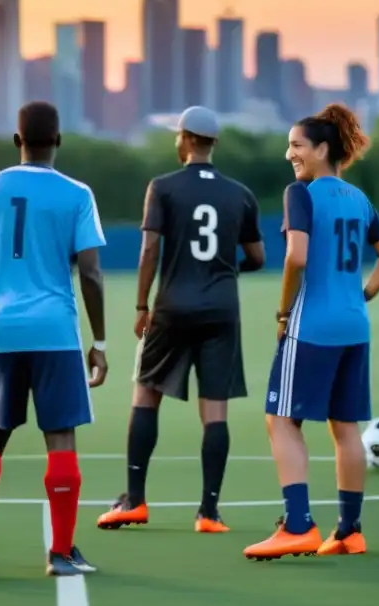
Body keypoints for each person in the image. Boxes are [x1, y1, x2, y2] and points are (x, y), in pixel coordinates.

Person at [0, 101, 109, 581]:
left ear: (17, 141)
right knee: (60, 438)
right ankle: (60, 552)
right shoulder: (77, 193)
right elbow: (92, 274)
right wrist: (98, 341)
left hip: (0, 331)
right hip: (55, 331)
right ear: (58, 140)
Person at [243, 104, 379, 561]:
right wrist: (364, 293)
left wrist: (282, 311)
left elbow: (296, 256)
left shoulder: (301, 193)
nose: (289, 153)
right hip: (355, 324)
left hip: (311, 323)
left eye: (296, 145)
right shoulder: (358, 199)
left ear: (322, 149)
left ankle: (297, 526)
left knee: (280, 419)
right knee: (344, 427)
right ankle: (349, 531)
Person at [96, 106, 265, 535]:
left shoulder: (163, 188)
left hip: (173, 306)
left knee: (145, 396)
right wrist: (225, 271)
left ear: (186, 139)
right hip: (222, 311)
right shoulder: (240, 193)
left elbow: (149, 249)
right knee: (215, 412)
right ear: (214, 143)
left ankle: (134, 501)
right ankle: (209, 512)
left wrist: (140, 306)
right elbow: (258, 258)